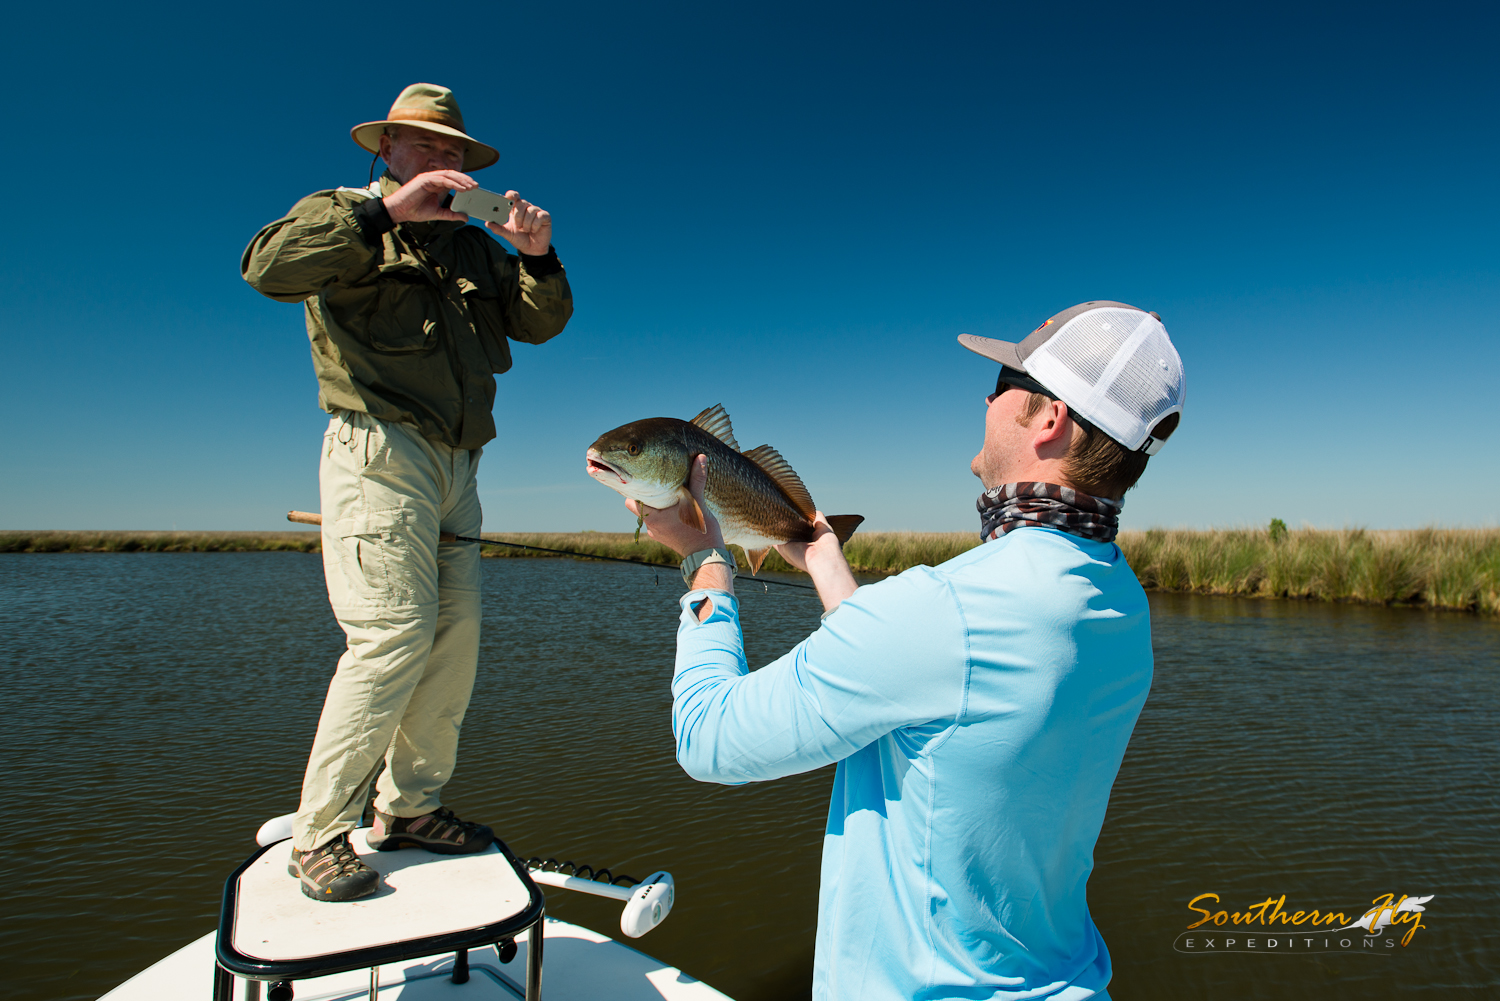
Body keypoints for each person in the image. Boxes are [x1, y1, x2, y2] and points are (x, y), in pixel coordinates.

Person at [632, 302, 1184, 999]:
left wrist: (706, 562)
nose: (986, 398)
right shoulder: (1120, 601)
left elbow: (708, 736)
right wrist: (826, 560)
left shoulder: (946, 611)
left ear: (1050, 419)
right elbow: (931, 672)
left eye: (1004, 379)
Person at [242, 83, 572, 901]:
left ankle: (409, 808)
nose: (447, 162)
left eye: (455, 151)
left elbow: (538, 324)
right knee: (391, 637)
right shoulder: (342, 213)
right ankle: (319, 833)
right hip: (378, 448)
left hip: (461, 463)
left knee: (452, 642)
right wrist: (389, 214)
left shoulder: (472, 246)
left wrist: (537, 255)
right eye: (426, 146)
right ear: (384, 150)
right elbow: (267, 267)